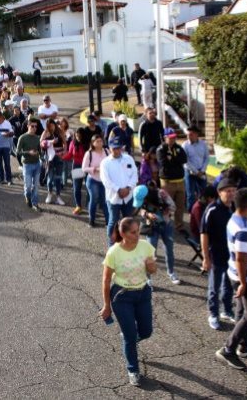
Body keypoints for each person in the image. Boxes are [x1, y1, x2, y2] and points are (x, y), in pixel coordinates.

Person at [99, 217, 158, 387]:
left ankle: (130, 337)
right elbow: (106, 280)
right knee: (130, 337)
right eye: (133, 232)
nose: (138, 234)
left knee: (146, 331)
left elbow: (153, 271)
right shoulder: (114, 252)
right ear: (123, 233)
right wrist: (106, 306)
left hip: (142, 293)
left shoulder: (145, 246)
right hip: (122, 296)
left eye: (138, 230)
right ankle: (133, 369)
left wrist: (151, 265)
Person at [215, 187, 247, 370]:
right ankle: (228, 349)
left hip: (239, 274)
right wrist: (244, 283)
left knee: (241, 310)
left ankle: (244, 345)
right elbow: (241, 257)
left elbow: (246, 251)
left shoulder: (236, 219)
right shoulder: (243, 227)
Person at [202, 178, 237, 330]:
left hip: (232, 255)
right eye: (227, 191)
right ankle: (213, 314)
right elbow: (204, 234)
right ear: (219, 192)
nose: (231, 194)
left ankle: (227, 310)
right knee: (214, 287)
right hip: (215, 255)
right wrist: (205, 257)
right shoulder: (212, 209)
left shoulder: (234, 207)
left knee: (229, 285)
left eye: (233, 191)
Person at [133, 183, 181, 284]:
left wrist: (162, 212)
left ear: (147, 196)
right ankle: (148, 278)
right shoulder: (143, 200)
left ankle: (171, 273)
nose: (143, 202)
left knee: (169, 249)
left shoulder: (161, 194)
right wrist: (147, 214)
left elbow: (173, 207)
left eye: (143, 200)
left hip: (166, 224)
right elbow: (141, 210)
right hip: (151, 226)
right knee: (150, 252)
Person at [100, 136, 139, 246]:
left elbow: (134, 175)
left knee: (129, 221)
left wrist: (128, 188)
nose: (117, 151)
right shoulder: (105, 163)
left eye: (118, 148)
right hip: (113, 198)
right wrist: (118, 190)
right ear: (109, 148)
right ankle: (111, 244)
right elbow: (105, 180)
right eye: (114, 148)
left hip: (128, 197)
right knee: (113, 221)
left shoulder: (128, 158)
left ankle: (128, 242)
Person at [157, 128, 188, 231]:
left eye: (174, 137)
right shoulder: (161, 149)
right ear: (165, 138)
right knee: (167, 205)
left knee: (180, 206)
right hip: (167, 182)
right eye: (170, 138)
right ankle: (166, 224)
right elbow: (164, 163)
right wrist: (175, 160)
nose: (173, 139)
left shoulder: (178, 148)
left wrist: (173, 158)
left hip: (180, 181)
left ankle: (179, 225)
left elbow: (184, 159)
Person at [83, 135, 110, 228]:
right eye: (97, 141)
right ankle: (91, 220)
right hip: (92, 180)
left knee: (105, 201)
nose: (99, 143)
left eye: (101, 141)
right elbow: (84, 168)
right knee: (94, 199)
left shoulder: (107, 151)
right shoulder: (89, 153)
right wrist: (95, 169)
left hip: (104, 180)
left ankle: (108, 222)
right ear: (93, 143)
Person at [17, 121, 43, 211]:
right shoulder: (22, 137)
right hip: (27, 164)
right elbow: (18, 152)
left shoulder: (37, 138)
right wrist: (28, 152)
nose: (34, 128)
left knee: (35, 185)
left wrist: (42, 158)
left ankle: (35, 203)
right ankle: (27, 196)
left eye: (36, 126)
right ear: (28, 126)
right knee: (28, 186)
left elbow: (40, 151)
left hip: (36, 164)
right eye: (32, 126)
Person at [183, 126, 210, 212]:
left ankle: (203, 211)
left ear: (196, 134)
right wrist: (196, 171)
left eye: (190, 135)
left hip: (201, 172)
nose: (188, 137)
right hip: (190, 172)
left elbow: (207, 158)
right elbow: (185, 161)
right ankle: (191, 212)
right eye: (187, 135)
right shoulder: (185, 145)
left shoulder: (203, 144)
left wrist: (202, 170)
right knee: (190, 195)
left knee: (203, 193)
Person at [41, 120, 66, 205]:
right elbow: (40, 143)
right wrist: (49, 142)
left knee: (58, 178)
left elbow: (65, 144)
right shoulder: (45, 132)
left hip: (59, 156)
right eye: (49, 126)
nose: (52, 127)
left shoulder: (60, 131)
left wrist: (63, 153)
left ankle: (58, 197)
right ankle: (49, 194)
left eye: (53, 125)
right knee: (50, 178)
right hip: (49, 158)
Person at [62, 128, 87, 215]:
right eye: (76, 135)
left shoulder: (87, 144)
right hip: (76, 166)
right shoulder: (73, 143)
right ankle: (78, 206)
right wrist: (62, 157)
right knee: (76, 188)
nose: (78, 137)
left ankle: (90, 205)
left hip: (87, 167)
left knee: (89, 188)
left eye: (80, 135)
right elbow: (69, 154)